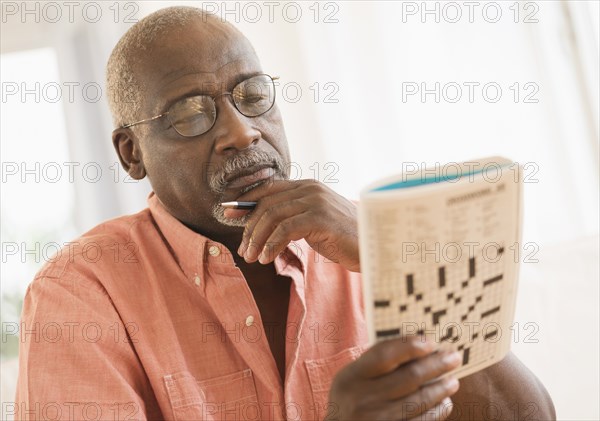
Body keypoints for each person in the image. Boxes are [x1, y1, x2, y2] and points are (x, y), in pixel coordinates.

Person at [15, 6, 555, 421]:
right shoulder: (80, 290)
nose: (241, 131)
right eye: (190, 114)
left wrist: (391, 256)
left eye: (251, 95)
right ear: (132, 154)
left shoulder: (371, 242)